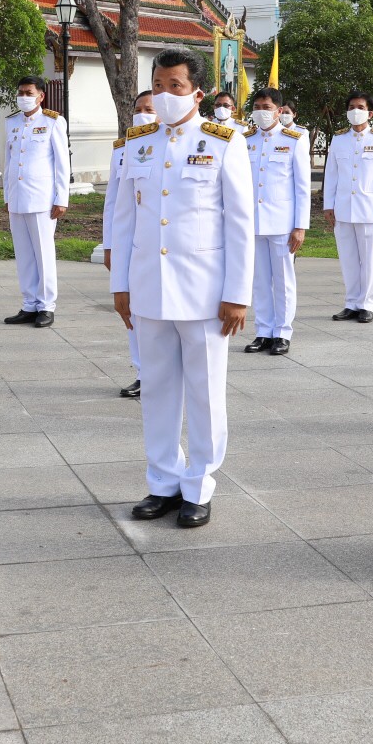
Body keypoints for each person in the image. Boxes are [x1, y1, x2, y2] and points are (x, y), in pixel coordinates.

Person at [113, 49, 254, 528]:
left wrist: (238, 293)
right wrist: (120, 286)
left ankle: (199, 486)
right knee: (156, 390)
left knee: (205, 392)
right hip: (149, 288)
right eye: (158, 85)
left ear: (197, 92)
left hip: (205, 294)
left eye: (175, 85)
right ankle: (163, 483)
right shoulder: (138, 142)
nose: (164, 94)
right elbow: (124, 218)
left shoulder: (224, 140)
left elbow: (239, 222)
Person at [244, 87, 310, 356]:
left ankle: (282, 332)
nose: (261, 111)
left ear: (279, 110)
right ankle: (263, 331)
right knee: (259, 279)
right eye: (257, 106)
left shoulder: (294, 139)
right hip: (253, 222)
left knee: (283, 279)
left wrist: (300, 226)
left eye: (267, 106)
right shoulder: (244, 139)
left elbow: (302, 187)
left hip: (283, 223)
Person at [2, 76, 70, 328]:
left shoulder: (53, 121)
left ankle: (46, 306)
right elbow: (8, 161)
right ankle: (29, 304)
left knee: (43, 253)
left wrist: (61, 198)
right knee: (24, 255)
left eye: (28, 92)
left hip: (42, 199)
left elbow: (62, 163)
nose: (23, 96)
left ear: (41, 96)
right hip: (18, 198)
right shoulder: (12, 122)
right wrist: (7, 196)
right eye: (20, 92)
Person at [324, 91, 373, 323]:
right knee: (348, 258)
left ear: (370, 113)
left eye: (361, 107)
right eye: (352, 106)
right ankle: (351, 302)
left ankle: (367, 304)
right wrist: (328, 205)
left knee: (368, 258)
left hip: (369, 209)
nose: (356, 111)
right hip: (343, 208)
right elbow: (332, 174)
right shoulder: (339, 139)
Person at [103, 91, 157, 399]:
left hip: (160, 243)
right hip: (131, 245)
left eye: (148, 108)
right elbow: (113, 203)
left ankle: (163, 373)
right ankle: (142, 372)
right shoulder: (124, 149)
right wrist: (109, 245)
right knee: (132, 312)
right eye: (138, 108)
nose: (142, 113)